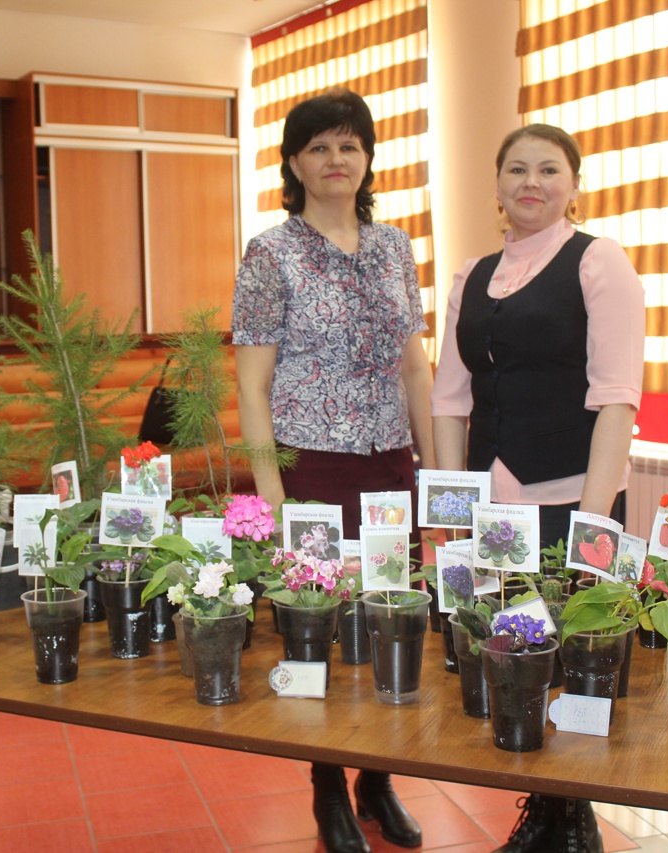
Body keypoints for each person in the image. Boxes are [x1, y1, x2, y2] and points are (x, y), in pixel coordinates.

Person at [431, 123, 645, 853]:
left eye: (549, 169)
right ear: (496, 186)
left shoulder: (599, 261)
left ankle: (573, 818)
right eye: (517, 169)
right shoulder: (471, 274)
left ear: (573, 184)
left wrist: (594, 525)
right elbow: (449, 399)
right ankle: (539, 811)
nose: (532, 182)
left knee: (576, 661)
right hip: (493, 502)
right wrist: (452, 512)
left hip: (568, 495)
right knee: (509, 659)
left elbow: (616, 397)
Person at [232, 88, 435, 853]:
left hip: (390, 464)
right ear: (293, 163)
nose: (335, 159)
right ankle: (326, 790)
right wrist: (273, 494)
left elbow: (416, 370)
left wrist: (439, 477)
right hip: (309, 465)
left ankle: (378, 779)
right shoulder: (269, 253)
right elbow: (252, 385)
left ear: (369, 157)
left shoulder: (394, 248)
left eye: (349, 145)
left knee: (390, 631)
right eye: (318, 146)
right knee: (312, 633)